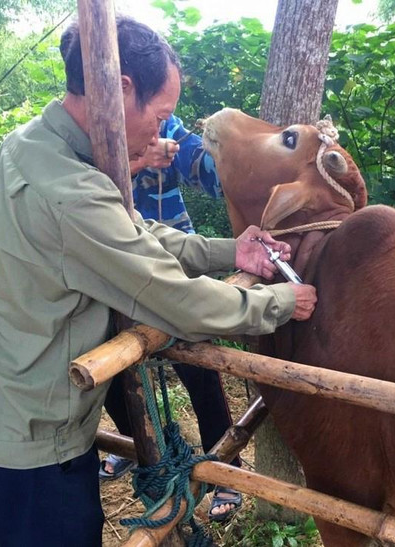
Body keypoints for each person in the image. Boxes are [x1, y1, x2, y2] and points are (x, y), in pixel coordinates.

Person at [0, 16, 317, 547]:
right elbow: (174, 298)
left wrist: (229, 251)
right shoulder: (70, 193)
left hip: (6, 398)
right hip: (35, 432)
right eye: (162, 114)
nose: (161, 132)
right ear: (121, 88)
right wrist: (276, 301)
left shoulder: (33, 147)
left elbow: (131, 232)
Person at [98, 117, 247, 522]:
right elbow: (83, 193)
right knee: (109, 370)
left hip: (173, 262)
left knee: (200, 369)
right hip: (111, 264)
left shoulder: (168, 127)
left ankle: (225, 472)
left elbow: (209, 175)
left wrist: (226, 151)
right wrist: (133, 160)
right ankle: (138, 448)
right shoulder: (87, 133)